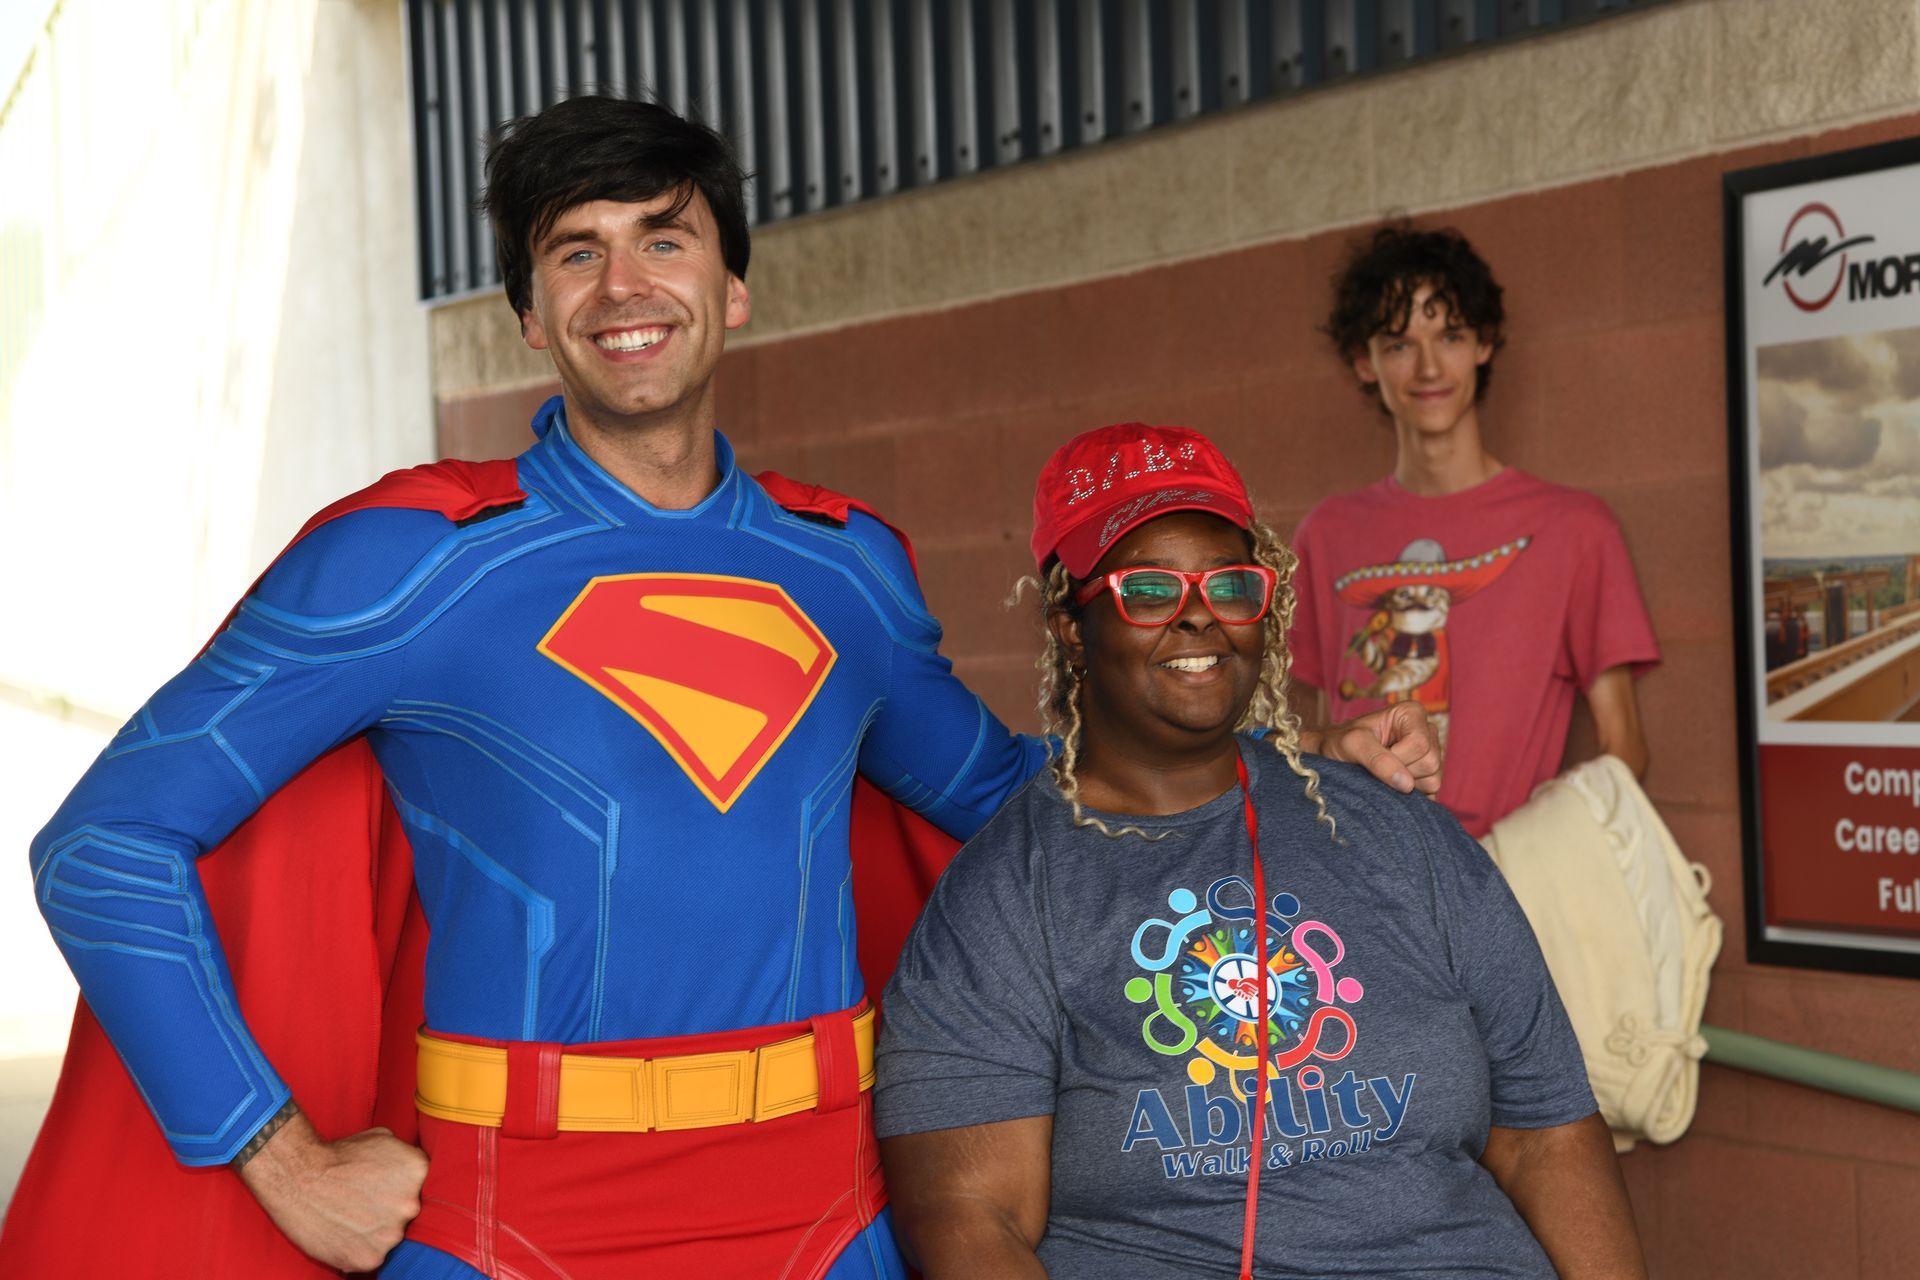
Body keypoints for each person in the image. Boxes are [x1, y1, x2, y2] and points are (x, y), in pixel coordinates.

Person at [15, 99, 1438, 1279]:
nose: (623, 286)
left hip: (827, 1213)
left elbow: (1020, 799)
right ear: (529, 314)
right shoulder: (406, 560)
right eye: (575, 252)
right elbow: (104, 841)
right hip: (509, 1224)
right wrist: (277, 1155)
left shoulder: (847, 569)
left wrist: (1307, 759)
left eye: (663, 238)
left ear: (733, 288)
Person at [874, 423, 1647, 1279]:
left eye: (1230, 584)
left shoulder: (1396, 829)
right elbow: (969, 1217)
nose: (1199, 613)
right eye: (1149, 589)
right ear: (1071, 626)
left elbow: (1547, 1135)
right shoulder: (1003, 898)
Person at [1289, 224, 1660, 838]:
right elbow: (1328, 726)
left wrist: (1526, 862)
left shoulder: (1573, 528)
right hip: (1367, 865)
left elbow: (1624, 751)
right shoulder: (1325, 535)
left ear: (1484, 343)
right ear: (1363, 360)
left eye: (1451, 336)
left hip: (1507, 871)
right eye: (1399, 343)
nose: (1429, 366)